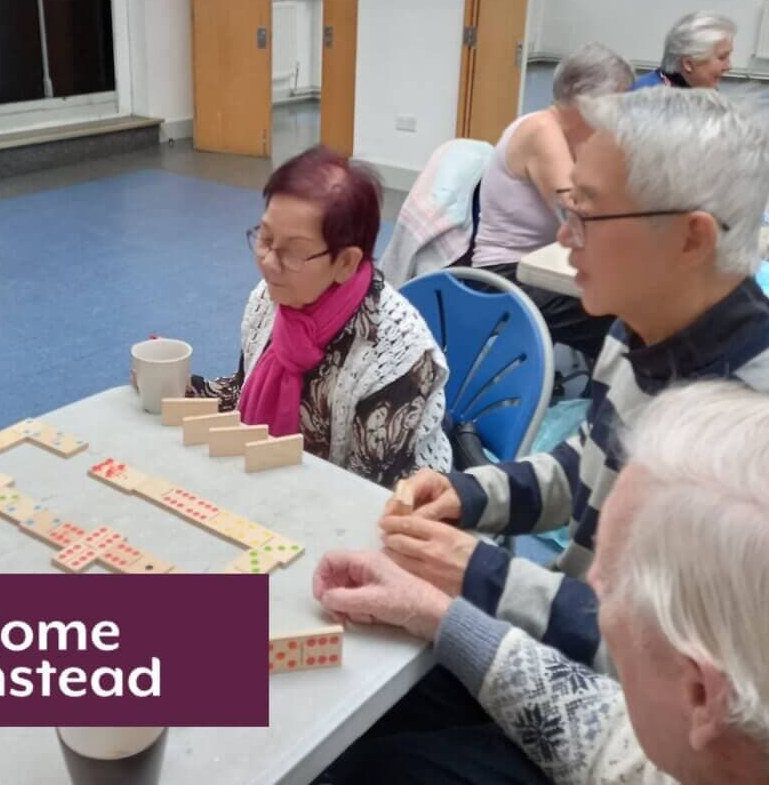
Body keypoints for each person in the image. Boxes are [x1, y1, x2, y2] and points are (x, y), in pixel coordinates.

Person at [313, 381, 769, 785]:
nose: (586, 583)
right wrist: (438, 615)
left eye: (607, 588)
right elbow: (605, 734)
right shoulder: (712, 743)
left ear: (700, 692)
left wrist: (478, 576)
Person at [191, 146, 451, 486]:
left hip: (388, 509)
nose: (269, 262)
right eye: (266, 237)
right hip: (281, 484)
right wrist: (180, 389)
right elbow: (242, 388)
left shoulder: (398, 355)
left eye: (293, 252)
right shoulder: (270, 299)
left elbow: (367, 493)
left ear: (346, 263)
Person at [472, 43, 635, 360]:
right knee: (624, 321)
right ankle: (610, 397)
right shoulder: (541, 130)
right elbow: (579, 219)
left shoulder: (574, 136)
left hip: (537, 264)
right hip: (506, 278)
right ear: (587, 98)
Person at [633, 10, 736, 90]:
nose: (729, 66)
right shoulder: (645, 98)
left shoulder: (702, 89)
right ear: (688, 64)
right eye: (722, 57)